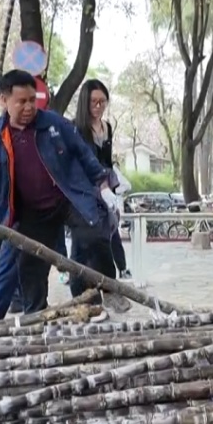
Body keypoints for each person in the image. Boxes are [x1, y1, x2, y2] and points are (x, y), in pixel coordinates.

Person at [0, 70, 118, 321]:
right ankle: (29, 318)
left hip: (68, 199)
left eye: (33, 99)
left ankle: (109, 290)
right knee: (26, 269)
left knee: (94, 236)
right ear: (3, 100)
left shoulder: (54, 123)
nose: (29, 106)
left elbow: (85, 155)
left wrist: (104, 188)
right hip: (29, 212)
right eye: (22, 101)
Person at [73, 79, 132, 282]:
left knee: (109, 231)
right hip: (86, 190)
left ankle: (110, 280)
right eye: (94, 102)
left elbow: (106, 160)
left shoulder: (106, 127)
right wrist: (100, 186)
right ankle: (81, 285)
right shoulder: (76, 128)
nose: (98, 107)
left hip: (106, 187)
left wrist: (114, 183)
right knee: (83, 243)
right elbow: (83, 164)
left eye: (103, 102)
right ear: (84, 102)